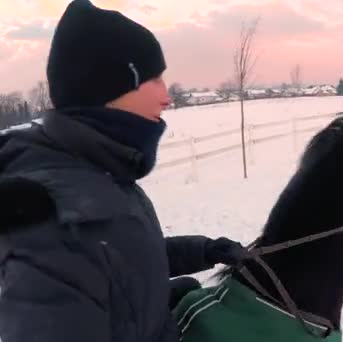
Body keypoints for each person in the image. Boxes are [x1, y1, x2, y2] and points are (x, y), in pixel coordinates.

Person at [0, 1, 249, 341]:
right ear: (110, 88)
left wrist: (202, 250)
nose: (167, 97)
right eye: (155, 78)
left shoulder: (99, 170)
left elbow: (120, 257)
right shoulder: (55, 219)